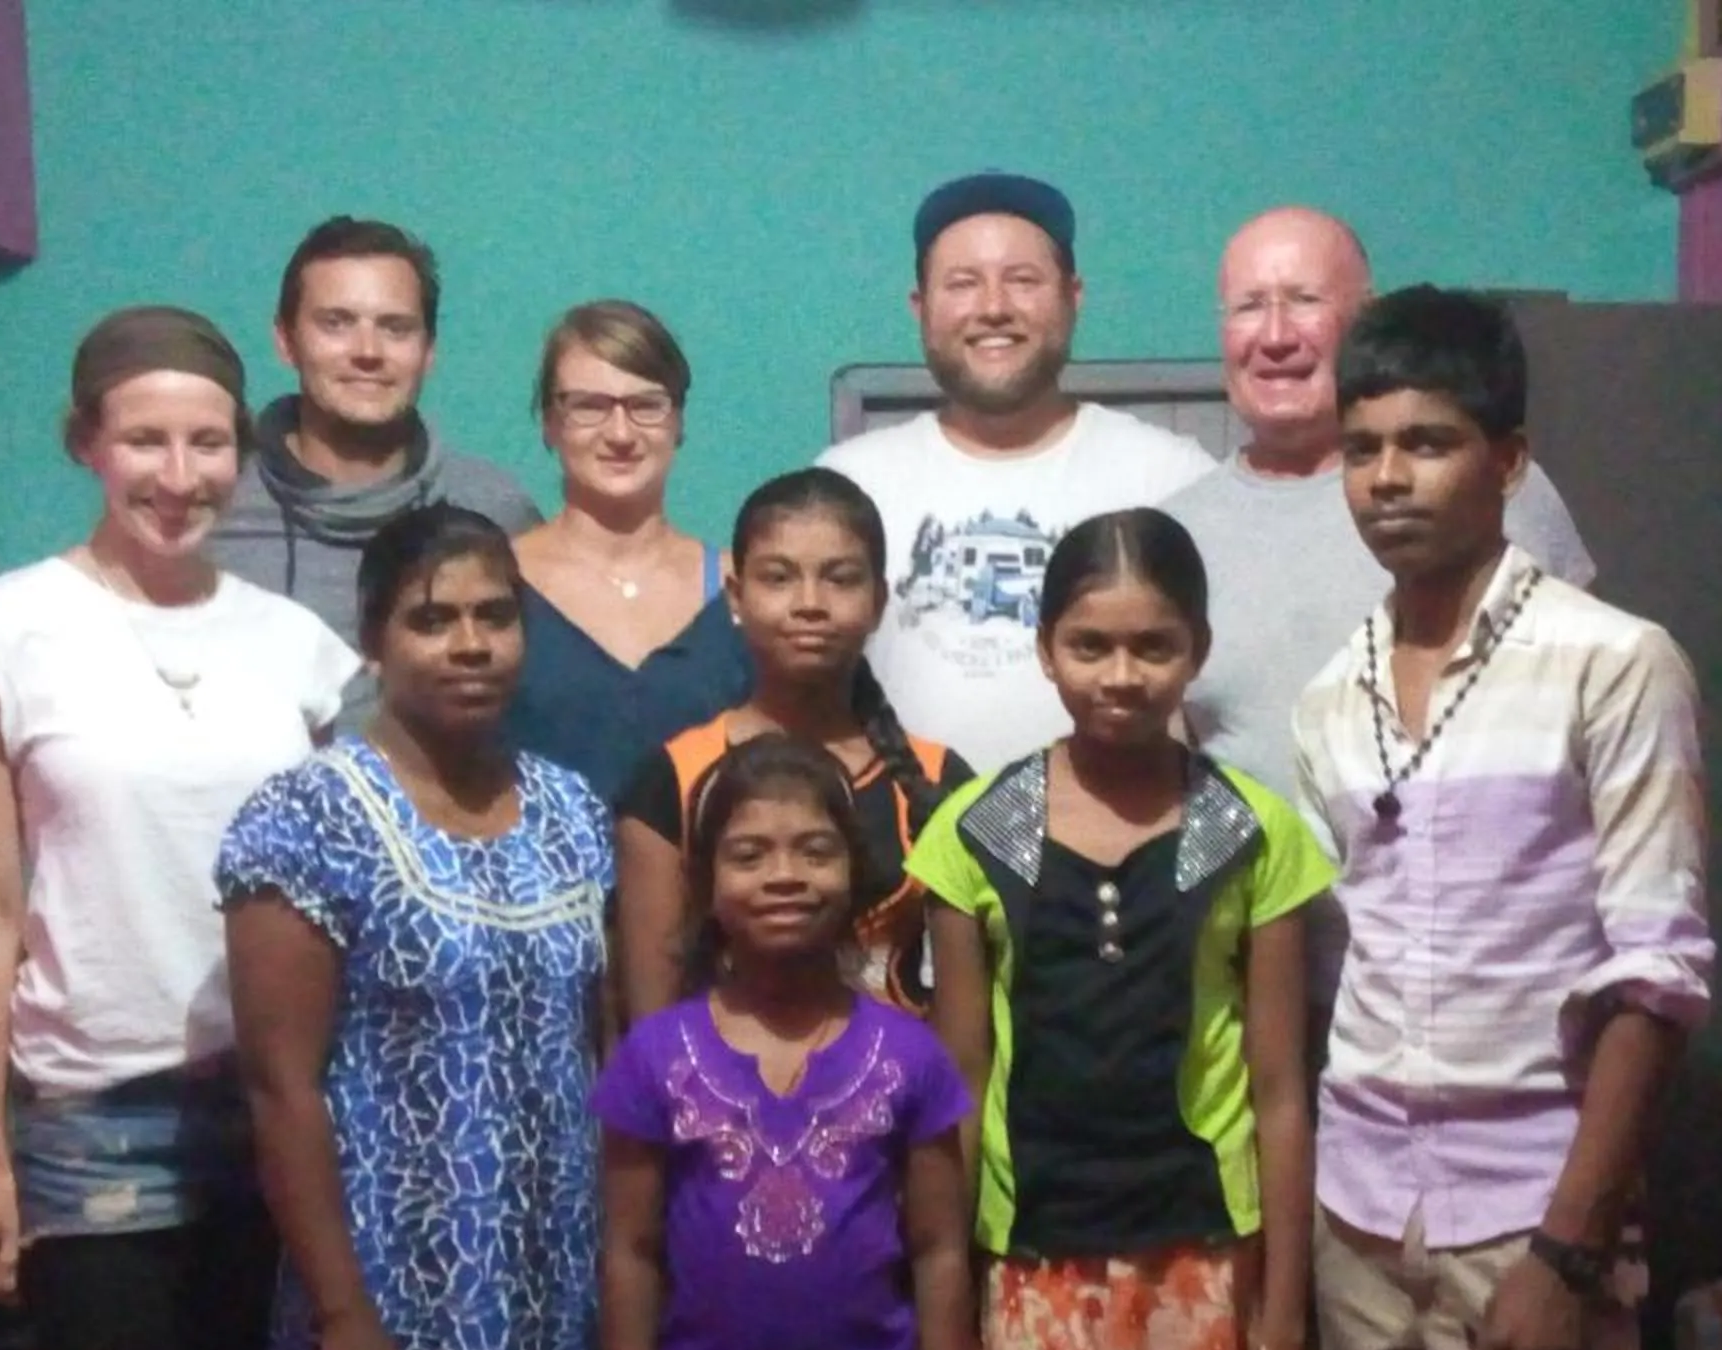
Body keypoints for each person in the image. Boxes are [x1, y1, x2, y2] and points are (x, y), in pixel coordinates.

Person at [0, 306, 359, 1350]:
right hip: (91, 1123)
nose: (180, 473)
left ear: (246, 450)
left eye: (209, 441)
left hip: (279, 1115)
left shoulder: (297, 648)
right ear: (87, 445)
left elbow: (340, 896)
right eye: (146, 440)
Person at [1291, 288, 1709, 1350]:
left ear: (1511, 460)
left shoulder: (1612, 662)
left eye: (1429, 442)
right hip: (1358, 1211)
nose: (1389, 478)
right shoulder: (1327, 699)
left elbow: (1656, 977)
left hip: (1529, 1217)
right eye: (1363, 448)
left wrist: (1567, 1256)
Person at [907, 509, 1332, 1350]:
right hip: (1032, 1269)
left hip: (1200, 1272)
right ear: (1045, 650)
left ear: (1197, 650)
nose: (1121, 675)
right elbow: (957, 1089)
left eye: (1154, 646)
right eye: (1091, 645)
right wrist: (946, 1308)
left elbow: (1285, 1092)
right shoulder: (974, 836)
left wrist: (1281, 1334)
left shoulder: (1252, 833)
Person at [216, 506, 619, 1350]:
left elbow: (600, 1054)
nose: (469, 643)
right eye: (431, 618)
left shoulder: (569, 810)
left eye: (495, 616)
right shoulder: (307, 820)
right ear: (376, 637)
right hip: (391, 1292)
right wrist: (344, 1317)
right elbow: (280, 1088)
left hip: (552, 1302)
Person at [596, 733, 977, 1350]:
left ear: (856, 875)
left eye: (815, 850)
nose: (785, 876)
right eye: (750, 852)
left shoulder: (906, 1056)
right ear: (707, 881)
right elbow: (631, 1256)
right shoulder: (657, 1058)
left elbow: (938, 1252)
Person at [1164, 206, 1599, 795]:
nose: (1274, 336)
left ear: (1366, 318)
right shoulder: (1177, 533)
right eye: (1248, 306)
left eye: (1304, 300)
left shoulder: (1485, 491)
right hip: (1260, 886)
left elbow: (1587, 699)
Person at [821, 171, 1216, 773]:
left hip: (1117, 853)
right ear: (920, 308)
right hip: (904, 855)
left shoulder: (1172, 477)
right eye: (962, 284)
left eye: (1024, 280)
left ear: (1073, 296)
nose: (993, 308)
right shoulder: (849, 486)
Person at [613, 467, 974, 1024]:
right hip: (727, 1106)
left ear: (879, 600)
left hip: (902, 1104)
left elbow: (969, 1029)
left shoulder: (934, 780)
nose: (810, 603)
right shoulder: (674, 781)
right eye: (779, 578)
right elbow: (649, 1029)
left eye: (841, 578)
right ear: (736, 594)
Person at [218, 215, 543, 728]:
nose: (367, 352)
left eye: (395, 327)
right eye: (336, 323)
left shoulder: (493, 509)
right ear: (285, 341)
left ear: (428, 351)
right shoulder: (218, 510)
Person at [509, 299, 755, 804]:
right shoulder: (497, 585)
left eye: (646, 405)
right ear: (550, 424)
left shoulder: (741, 589)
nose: (620, 434)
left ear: (679, 422)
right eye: (589, 407)